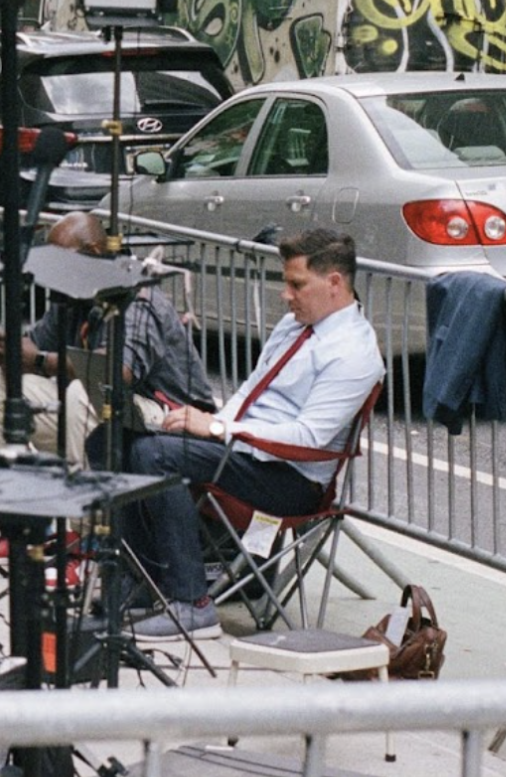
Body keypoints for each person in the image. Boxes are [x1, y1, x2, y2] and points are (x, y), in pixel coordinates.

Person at [120, 227, 384, 642]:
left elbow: (308, 436)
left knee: (156, 455)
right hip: (247, 452)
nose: (286, 294)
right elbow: (251, 389)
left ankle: (192, 604)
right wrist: (213, 427)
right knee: (116, 438)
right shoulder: (294, 325)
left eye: (297, 284)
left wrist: (221, 429)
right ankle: (141, 586)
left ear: (334, 283)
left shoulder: (354, 353)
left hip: (291, 479)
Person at [0, 212, 214, 467]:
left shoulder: (139, 296)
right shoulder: (73, 294)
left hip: (173, 419)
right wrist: (10, 352)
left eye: (63, 260)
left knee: (83, 394)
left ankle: (87, 499)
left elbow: (116, 372)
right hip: (103, 413)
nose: (57, 271)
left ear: (95, 251)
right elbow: (34, 347)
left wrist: (40, 360)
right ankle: (11, 488)